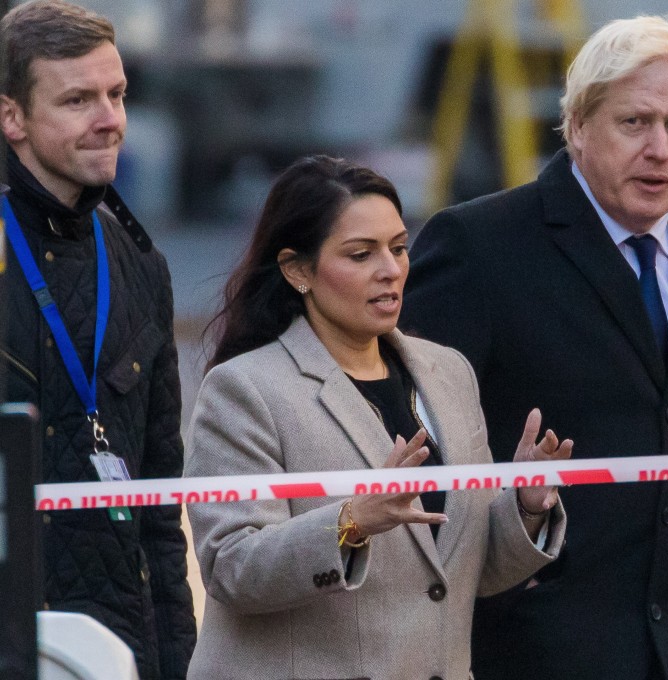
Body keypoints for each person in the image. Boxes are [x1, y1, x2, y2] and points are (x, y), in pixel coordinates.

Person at [401, 13, 668, 680]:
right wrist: (506, 580)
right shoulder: (477, 247)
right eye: (634, 122)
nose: (659, 148)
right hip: (543, 649)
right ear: (578, 126)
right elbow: (413, 445)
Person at [184, 155, 571, 680]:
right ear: (297, 270)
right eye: (361, 254)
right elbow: (231, 569)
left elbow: (459, 573)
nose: (390, 270)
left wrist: (525, 506)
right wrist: (350, 521)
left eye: (399, 247)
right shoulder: (243, 389)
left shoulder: (448, 373)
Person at [0, 1, 196, 678]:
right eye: (78, 99)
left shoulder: (140, 265)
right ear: (12, 117)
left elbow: (160, 508)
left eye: (116, 94)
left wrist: (174, 663)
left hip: (113, 650)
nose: (110, 119)